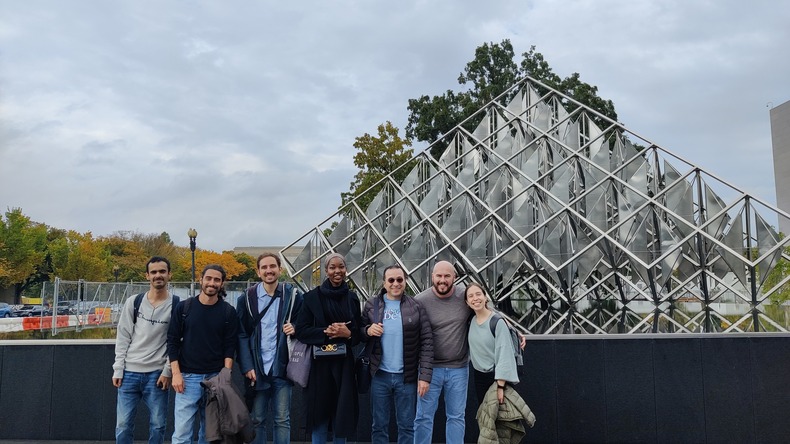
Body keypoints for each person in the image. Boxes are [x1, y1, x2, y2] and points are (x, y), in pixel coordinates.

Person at [360, 265, 433, 444]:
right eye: (391, 280)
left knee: (407, 426)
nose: (395, 283)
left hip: (406, 377)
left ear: (405, 281)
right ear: (384, 283)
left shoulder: (416, 306)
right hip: (379, 375)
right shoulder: (372, 304)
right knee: (379, 426)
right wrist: (368, 330)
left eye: (399, 279)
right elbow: (358, 333)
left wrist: (424, 376)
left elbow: (427, 341)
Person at [294, 253, 362, 444]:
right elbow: (301, 331)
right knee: (319, 416)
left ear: (346, 269)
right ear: (326, 271)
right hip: (319, 367)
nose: (337, 271)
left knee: (342, 415)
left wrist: (348, 334)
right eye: (332, 267)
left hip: (344, 366)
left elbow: (358, 333)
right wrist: (327, 332)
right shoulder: (311, 298)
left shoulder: (352, 298)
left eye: (341, 266)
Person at [167, 264, 239, 444]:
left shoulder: (228, 312)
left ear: (222, 283)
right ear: (201, 280)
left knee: (210, 435)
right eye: (209, 278)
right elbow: (172, 342)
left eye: (217, 280)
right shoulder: (184, 308)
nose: (212, 283)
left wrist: (225, 376)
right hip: (187, 378)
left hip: (215, 379)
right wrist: (176, 374)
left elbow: (230, 346)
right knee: (181, 434)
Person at [237, 253, 303, 444]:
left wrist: (296, 327)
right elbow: (241, 334)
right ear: (258, 272)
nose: (269, 270)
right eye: (264, 267)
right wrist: (247, 366)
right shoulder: (247, 298)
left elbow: (305, 321)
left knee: (282, 420)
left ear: (279, 269)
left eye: (272, 266)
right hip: (257, 369)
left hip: (282, 367)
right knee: (257, 419)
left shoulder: (293, 295)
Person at [112, 256, 177, 444]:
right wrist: (118, 369)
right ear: (147, 275)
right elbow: (123, 336)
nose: (158, 275)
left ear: (169, 274)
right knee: (123, 425)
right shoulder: (134, 302)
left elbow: (177, 342)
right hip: (129, 373)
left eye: (162, 271)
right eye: (154, 272)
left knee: (158, 425)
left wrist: (167, 371)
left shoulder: (177, 305)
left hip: (157, 375)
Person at [413, 260, 470, 444]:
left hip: (459, 368)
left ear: (455, 277)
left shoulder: (465, 296)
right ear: (432, 277)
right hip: (430, 370)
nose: (442, 280)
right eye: (439, 276)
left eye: (447, 276)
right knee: (423, 417)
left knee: (456, 417)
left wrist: (512, 331)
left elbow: (488, 312)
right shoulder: (420, 300)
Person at [464, 282, 519, 406]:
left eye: (478, 294)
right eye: (471, 296)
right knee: (485, 415)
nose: (475, 298)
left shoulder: (497, 322)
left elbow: (505, 354)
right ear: (467, 302)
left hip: (497, 378)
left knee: (502, 416)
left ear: (485, 297)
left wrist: (500, 386)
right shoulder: (471, 321)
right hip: (479, 377)